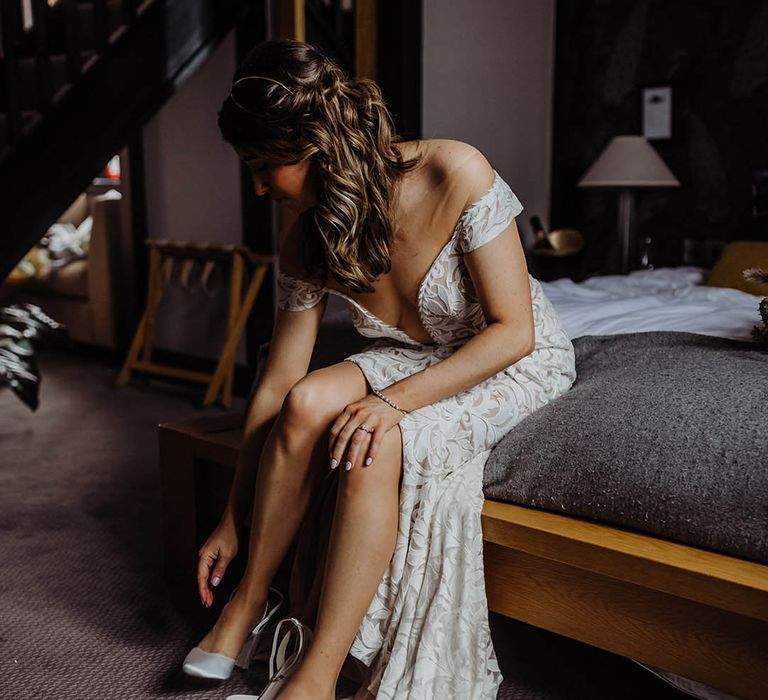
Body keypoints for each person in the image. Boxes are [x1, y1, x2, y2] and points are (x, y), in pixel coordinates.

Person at [182, 38, 576, 700]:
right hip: (419, 354)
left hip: (509, 357)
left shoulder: (455, 172)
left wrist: (393, 404)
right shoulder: (305, 235)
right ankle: (247, 604)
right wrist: (232, 515)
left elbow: (514, 333)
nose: (256, 185)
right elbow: (278, 384)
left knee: (371, 440)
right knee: (308, 401)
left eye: (262, 165)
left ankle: (317, 675)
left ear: (316, 149)